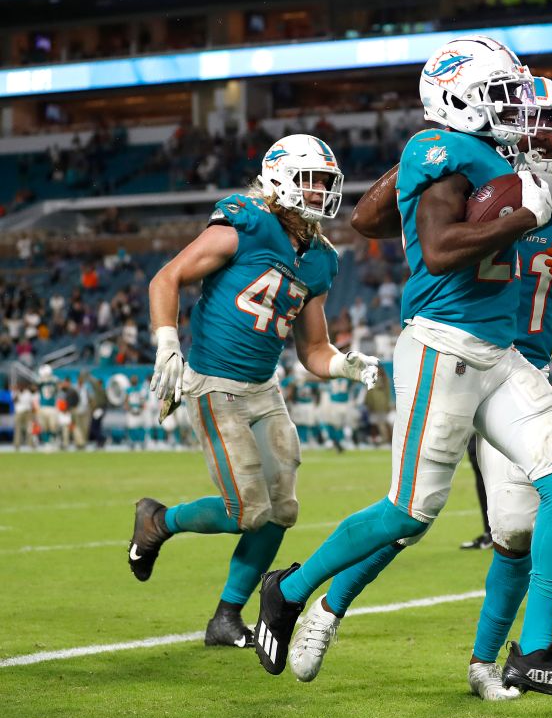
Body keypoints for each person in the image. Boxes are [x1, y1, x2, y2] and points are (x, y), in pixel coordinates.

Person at [255, 43, 552, 702]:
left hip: (503, 354)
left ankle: (531, 650)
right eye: (503, 95)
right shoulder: (440, 150)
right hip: (442, 347)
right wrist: (520, 218)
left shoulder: (496, 159)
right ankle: (292, 590)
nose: (519, 109)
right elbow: (438, 248)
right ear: (458, 99)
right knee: (409, 513)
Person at [126, 134, 378, 648]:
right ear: (281, 178)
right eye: (310, 181)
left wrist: (345, 366)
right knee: (247, 511)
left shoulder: (320, 259)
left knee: (282, 510)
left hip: (265, 389)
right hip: (214, 384)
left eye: (325, 183)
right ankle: (158, 520)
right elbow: (166, 278)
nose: (318, 193)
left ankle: (226, 617)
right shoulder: (247, 220)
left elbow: (313, 349)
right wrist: (167, 342)